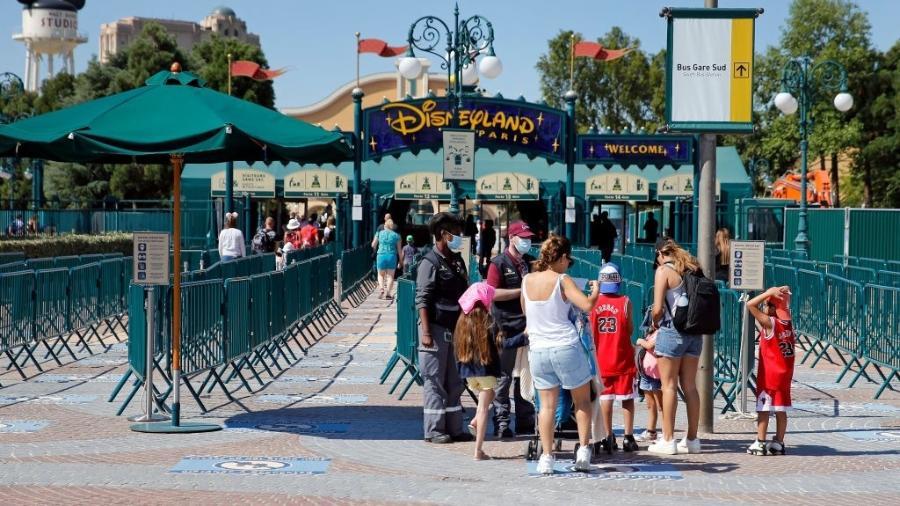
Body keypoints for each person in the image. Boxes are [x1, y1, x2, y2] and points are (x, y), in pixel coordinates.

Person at [522, 234, 599, 474]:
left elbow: (527, 314)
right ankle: (584, 451)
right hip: (565, 345)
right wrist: (595, 291)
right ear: (563, 257)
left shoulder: (526, 280)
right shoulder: (563, 279)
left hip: (539, 350)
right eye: (568, 260)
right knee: (582, 400)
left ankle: (546, 457)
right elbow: (586, 305)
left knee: (546, 406)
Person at [416, 212, 472, 445]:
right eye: (455, 233)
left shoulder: (457, 261)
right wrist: (427, 333)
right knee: (434, 380)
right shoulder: (429, 263)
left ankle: (455, 428)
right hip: (435, 330)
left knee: (455, 381)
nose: (459, 237)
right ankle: (434, 430)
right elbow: (423, 299)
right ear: (443, 234)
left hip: (455, 329)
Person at [648, 238, 703, 455]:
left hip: (672, 332)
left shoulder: (664, 271)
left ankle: (668, 439)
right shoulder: (692, 267)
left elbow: (658, 308)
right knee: (690, 386)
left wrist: (654, 322)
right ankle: (692, 439)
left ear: (660, 253)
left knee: (668, 386)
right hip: (694, 333)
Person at [485, 220, 536, 438]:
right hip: (504, 326)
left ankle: (525, 420)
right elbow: (492, 293)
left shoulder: (531, 263)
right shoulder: (498, 263)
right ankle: (502, 422)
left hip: (528, 327)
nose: (527, 242)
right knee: (503, 377)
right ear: (511, 238)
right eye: (523, 238)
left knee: (526, 375)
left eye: (529, 238)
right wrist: (521, 290)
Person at [590, 262, 638, 453]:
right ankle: (628, 436)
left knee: (606, 398)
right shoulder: (625, 301)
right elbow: (630, 329)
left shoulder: (592, 302)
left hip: (601, 358)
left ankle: (608, 436)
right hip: (622, 357)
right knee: (627, 398)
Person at [454, 282, 503, 460]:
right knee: (483, 409)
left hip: (469, 373)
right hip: (486, 371)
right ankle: (478, 450)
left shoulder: (462, 320)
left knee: (489, 396)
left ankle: (475, 420)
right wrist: (523, 337)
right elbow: (501, 345)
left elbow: (457, 348)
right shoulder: (488, 321)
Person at [746, 286, 795, 456]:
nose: (764, 308)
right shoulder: (788, 323)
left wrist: (767, 293)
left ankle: (760, 442)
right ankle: (779, 442)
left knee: (764, 409)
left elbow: (750, 305)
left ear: (772, 308)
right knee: (781, 409)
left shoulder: (770, 323)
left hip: (770, 375)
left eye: (767, 305)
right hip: (785, 374)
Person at [635, 329, 662, 444]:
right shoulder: (651, 332)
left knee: (661, 406)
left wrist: (641, 341)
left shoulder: (663, 331)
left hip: (657, 374)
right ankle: (651, 432)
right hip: (646, 374)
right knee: (650, 405)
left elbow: (650, 345)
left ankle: (666, 433)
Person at [372, 219, 402, 299]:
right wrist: (401, 261)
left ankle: (381, 288)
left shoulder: (379, 233)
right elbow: (399, 250)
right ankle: (388, 293)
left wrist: (375, 250)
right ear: (392, 227)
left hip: (381, 255)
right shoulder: (397, 236)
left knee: (380, 275)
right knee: (390, 276)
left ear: (385, 226)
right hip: (392, 256)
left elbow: (373, 245)